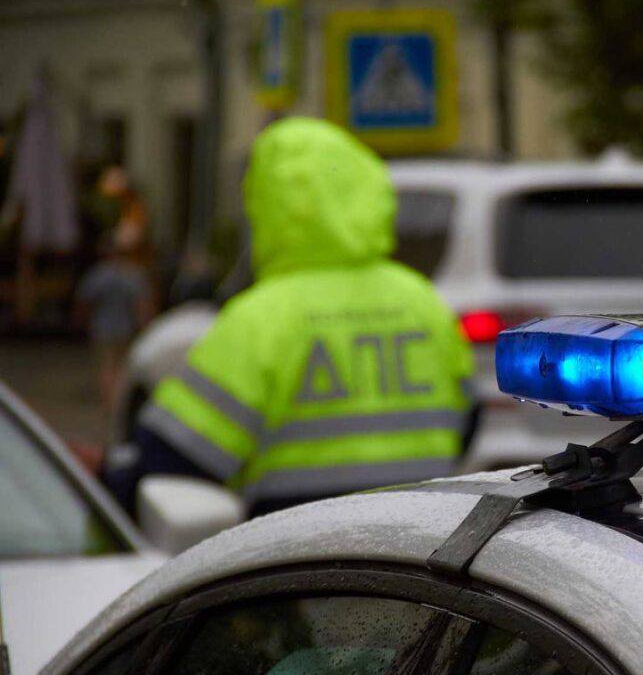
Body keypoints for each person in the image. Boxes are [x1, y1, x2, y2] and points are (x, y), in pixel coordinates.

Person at [135, 117, 473, 516]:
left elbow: (172, 459)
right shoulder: (422, 301)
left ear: (270, 206)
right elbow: (469, 416)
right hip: (422, 542)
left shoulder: (260, 318)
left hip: (298, 546)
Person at [75, 229, 154, 413]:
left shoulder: (98, 274)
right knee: (121, 368)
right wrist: (145, 326)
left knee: (107, 366)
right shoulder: (134, 275)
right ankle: (116, 402)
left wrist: (81, 321)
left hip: (103, 328)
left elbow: (84, 302)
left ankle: (109, 402)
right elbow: (142, 305)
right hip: (126, 329)